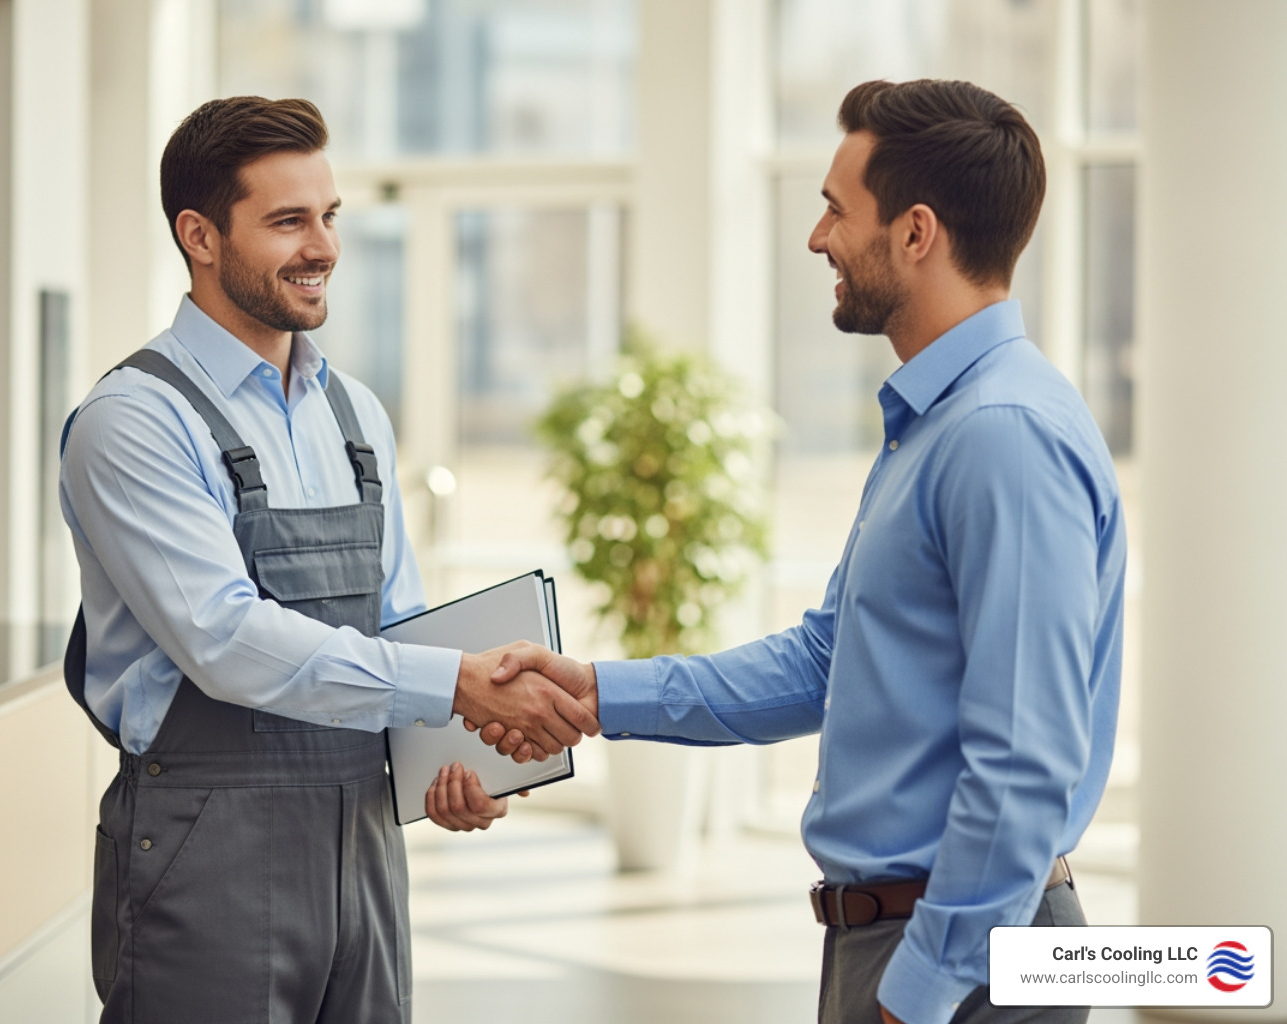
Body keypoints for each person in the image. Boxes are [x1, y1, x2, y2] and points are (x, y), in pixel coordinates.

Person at [460, 79, 1124, 1024]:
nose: (818, 238)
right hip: (900, 946)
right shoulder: (937, 428)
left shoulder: (1001, 437)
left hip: (961, 961)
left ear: (916, 232)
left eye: (834, 209)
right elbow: (826, 661)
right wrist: (597, 693)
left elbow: (1023, 760)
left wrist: (920, 996)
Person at [59, 96, 597, 1024]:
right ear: (199, 235)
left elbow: (398, 627)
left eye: (330, 215)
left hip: (361, 845)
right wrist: (458, 687)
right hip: (206, 849)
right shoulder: (134, 421)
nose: (324, 246)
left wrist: (449, 767)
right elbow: (225, 639)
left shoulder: (353, 413)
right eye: (287, 221)